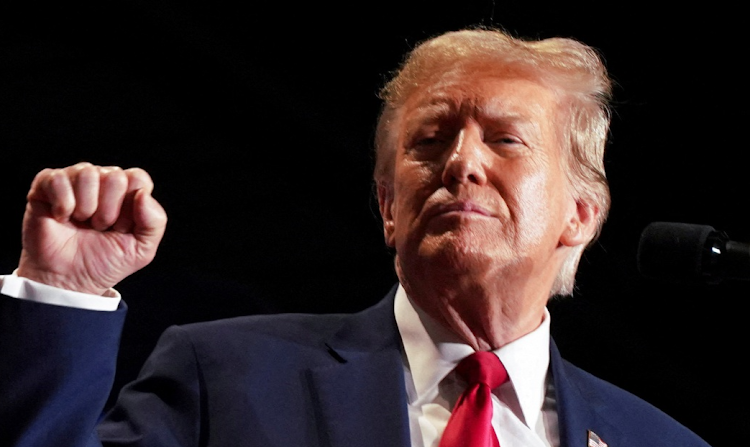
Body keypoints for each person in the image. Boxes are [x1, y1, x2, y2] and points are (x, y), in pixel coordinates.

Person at [0, 26, 711, 447]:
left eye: (505, 139)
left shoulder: (658, 441)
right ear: (388, 207)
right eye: (429, 142)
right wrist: (61, 292)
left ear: (580, 214)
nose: (461, 162)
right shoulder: (222, 374)